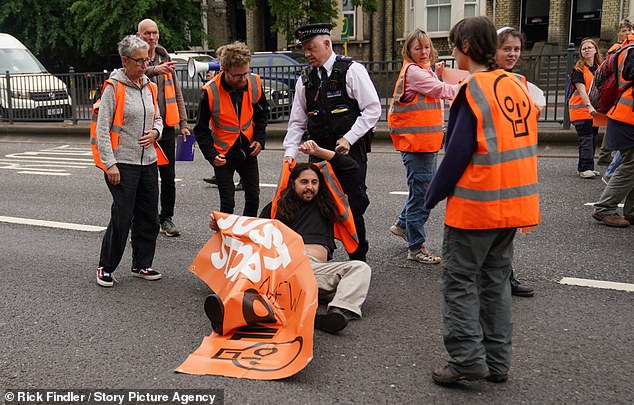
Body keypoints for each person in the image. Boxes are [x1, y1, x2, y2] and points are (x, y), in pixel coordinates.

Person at [425, 16, 540, 384]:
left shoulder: (472, 91)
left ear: (468, 47)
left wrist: (428, 199)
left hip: (476, 207)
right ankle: (497, 362)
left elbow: (456, 155)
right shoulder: (516, 85)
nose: (453, 52)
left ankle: (465, 360)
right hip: (514, 206)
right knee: (495, 285)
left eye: (455, 45)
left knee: (460, 284)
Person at [283, 23, 382, 262]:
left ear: (327, 44)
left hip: (348, 153)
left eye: (311, 48)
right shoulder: (305, 79)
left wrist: (349, 138)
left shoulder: (351, 70)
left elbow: (372, 109)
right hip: (317, 153)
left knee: (353, 205)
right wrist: (289, 153)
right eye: (304, 49)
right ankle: (321, 257)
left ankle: (358, 259)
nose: (307, 54)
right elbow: (297, 121)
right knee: (318, 204)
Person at [258, 140, 372, 334]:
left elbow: (351, 168)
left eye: (314, 182)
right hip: (287, 268)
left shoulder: (328, 204)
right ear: (292, 184)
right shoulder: (276, 208)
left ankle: (336, 313)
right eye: (304, 182)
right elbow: (251, 231)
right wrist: (220, 224)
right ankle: (236, 307)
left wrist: (318, 151)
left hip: (316, 273)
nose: (309, 187)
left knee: (360, 268)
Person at [93, 35, 165, 287]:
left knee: (149, 218)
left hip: (148, 162)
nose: (145, 66)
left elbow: (158, 119)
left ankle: (141, 264)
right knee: (122, 217)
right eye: (139, 61)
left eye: (147, 60)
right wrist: (110, 163)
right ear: (125, 60)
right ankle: (106, 266)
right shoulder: (114, 87)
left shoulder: (150, 87)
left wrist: (157, 132)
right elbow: (102, 130)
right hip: (123, 163)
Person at [387, 28, 459, 264]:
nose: (423, 51)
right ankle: (416, 248)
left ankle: (402, 225)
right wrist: (471, 85)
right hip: (416, 144)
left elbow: (432, 87)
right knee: (424, 195)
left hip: (423, 143)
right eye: (418, 48)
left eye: (426, 47)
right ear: (408, 50)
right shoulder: (415, 73)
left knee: (422, 191)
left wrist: (435, 73)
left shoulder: (420, 70)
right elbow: (441, 90)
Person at [194, 41, 268, 217]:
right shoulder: (210, 91)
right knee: (228, 203)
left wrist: (259, 138)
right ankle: (226, 240)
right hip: (223, 154)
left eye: (245, 73)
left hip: (248, 150)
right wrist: (211, 155)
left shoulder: (254, 83)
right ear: (224, 70)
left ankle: (245, 236)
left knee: (253, 197)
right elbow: (201, 130)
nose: (243, 79)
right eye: (237, 76)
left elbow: (262, 113)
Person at [137, 18, 189, 237]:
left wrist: (184, 124)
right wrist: (153, 70)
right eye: (147, 33)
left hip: (166, 127)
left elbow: (177, 92)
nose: (151, 36)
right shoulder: (134, 55)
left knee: (168, 176)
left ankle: (166, 218)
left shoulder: (165, 57)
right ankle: (141, 221)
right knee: (142, 178)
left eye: (154, 32)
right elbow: (131, 74)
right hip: (142, 127)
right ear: (139, 35)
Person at [495, 26, 536, 298]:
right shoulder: (487, 80)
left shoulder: (517, 81)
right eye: (506, 48)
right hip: (495, 169)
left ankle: (502, 277)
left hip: (513, 167)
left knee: (505, 230)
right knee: (498, 232)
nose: (512, 54)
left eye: (516, 49)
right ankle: (500, 280)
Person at [592, 31, 634, 228]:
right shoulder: (631, 51)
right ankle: (604, 208)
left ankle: (631, 212)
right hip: (628, 118)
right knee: (631, 164)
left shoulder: (626, 49)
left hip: (624, 116)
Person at [598, 18, 634, 165]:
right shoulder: (618, 49)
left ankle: (607, 158)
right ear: (618, 34)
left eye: (629, 30)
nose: (627, 33)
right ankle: (606, 157)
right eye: (623, 31)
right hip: (618, 92)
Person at [568, 38, 603, 179]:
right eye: (584, 48)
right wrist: (589, 106)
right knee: (586, 138)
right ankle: (584, 168)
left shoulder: (599, 68)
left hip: (593, 110)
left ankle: (589, 166)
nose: (587, 50)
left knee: (593, 138)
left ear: (595, 50)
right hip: (581, 109)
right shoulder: (578, 70)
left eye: (589, 47)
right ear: (581, 53)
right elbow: (581, 90)